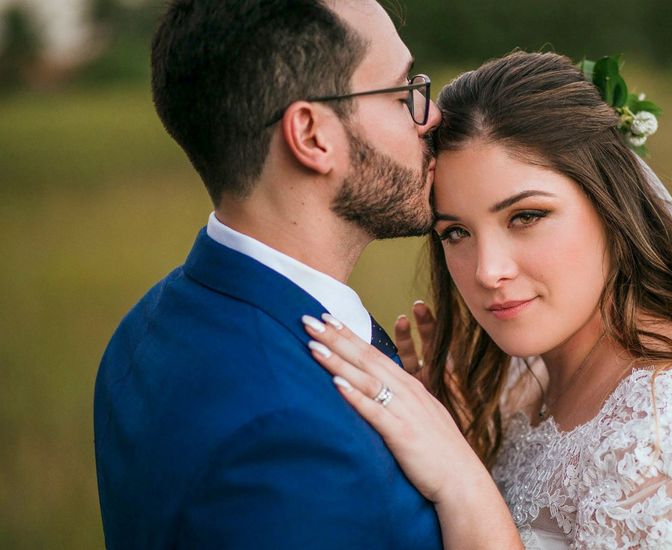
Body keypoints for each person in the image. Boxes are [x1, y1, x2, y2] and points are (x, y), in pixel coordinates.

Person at [304, 51, 672, 549]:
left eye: (525, 217)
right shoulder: (522, 383)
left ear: (610, 204)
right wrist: (460, 440)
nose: (487, 271)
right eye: (455, 231)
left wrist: (461, 480)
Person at [93, 0, 521, 547]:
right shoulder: (289, 440)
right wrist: (466, 482)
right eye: (399, 93)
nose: (430, 114)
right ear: (313, 136)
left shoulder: (146, 327)